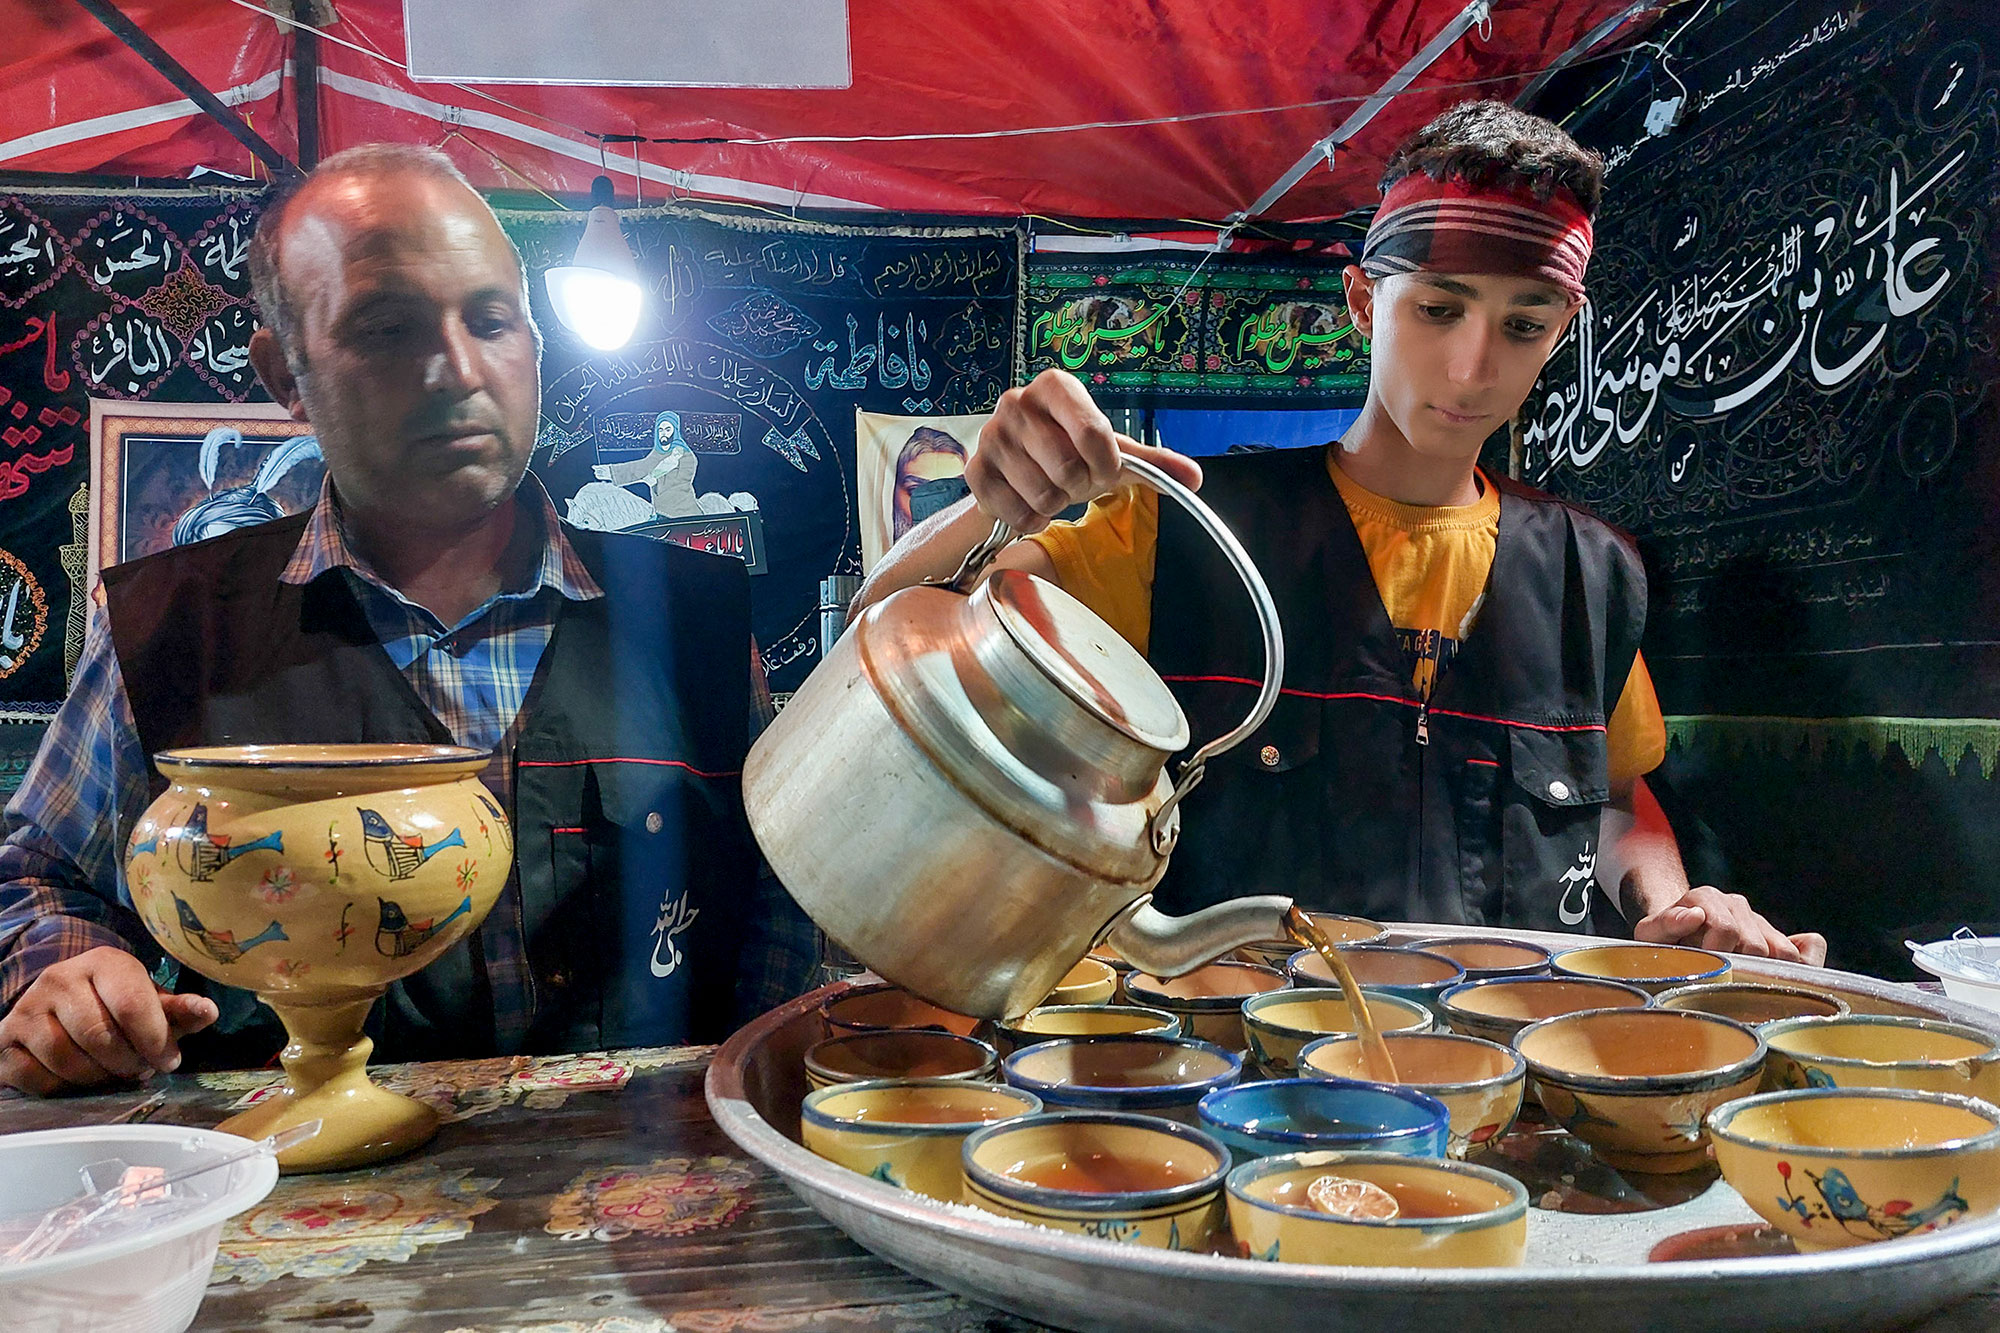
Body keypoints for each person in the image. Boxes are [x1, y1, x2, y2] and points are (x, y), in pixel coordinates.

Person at [857, 102, 1826, 966]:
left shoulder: (1590, 574)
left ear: (1564, 327)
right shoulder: (1189, 528)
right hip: (1230, 1066)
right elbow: (888, 634)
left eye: (1522, 326)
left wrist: (1670, 902)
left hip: (1502, 1066)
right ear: (1363, 301)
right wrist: (998, 503)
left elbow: (1613, 795)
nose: (1472, 367)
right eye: (1438, 309)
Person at [0, 144, 815, 1096]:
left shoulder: (695, 617)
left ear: (535, 344)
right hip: (293, 1175)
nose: (457, 371)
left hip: (657, 1174)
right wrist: (74, 976)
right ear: (286, 372)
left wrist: (756, 1094)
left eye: (492, 321)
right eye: (388, 328)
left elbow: (787, 897)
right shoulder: (171, 629)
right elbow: (37, 876)